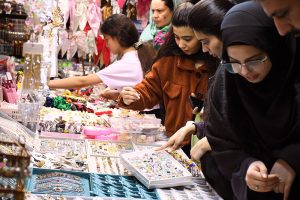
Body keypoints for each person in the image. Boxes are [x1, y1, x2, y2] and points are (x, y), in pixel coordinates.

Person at [205, 2, 300, 200]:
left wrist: (292, 158)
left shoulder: (294, 74)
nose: (246, 72)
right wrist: (245, 165)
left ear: (274, 48)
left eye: (255, 60)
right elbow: (220, 138)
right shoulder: (227, 83)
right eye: (235, 63)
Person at [119, 2, 217, 154]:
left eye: (187, 38)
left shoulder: (216, 63)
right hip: (174, 144)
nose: (181, 44)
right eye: (177, 38)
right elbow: (149, 88)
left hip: (207, 147)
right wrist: (132, 96)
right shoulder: (168, 61)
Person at [48, 14, 156, 101]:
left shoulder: (127, 62)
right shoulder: (137, 55)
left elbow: (82, 81)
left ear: (118, 37)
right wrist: (118, 95)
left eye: (107, 39)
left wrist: (48, 84)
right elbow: (137, 90)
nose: (106, 44)